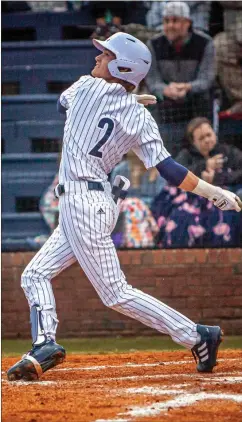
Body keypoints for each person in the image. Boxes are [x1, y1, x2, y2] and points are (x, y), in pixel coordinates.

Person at [7, 32, 241, 382]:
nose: (97, 58)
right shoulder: (140, 117)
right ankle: (44, 342)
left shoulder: (86, 87)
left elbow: (61, 104)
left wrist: (121, 100)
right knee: (35, 274)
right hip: (93, 202)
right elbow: (170, 171)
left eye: (105, 55)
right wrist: (211, 191)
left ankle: (195, 334)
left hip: (83, 205)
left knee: (115, 293)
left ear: (122, 65)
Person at [151, 117, 242, 248]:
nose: (206, 140)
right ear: (193, 142)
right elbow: (175, 176)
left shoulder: (229, 152)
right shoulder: (186, 155)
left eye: (209, 135)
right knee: (180, 218)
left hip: (223, 197)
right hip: (192, 198)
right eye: (201, 138)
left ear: (214, 133)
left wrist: (218, 177)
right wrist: (204, 165)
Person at [146, 1, 215, 156]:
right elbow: (152, 80)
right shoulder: (153, 44)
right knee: (152, 99)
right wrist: (165, 89)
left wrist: (188, 87)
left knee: (205, 98)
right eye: (166, 21)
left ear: (187, 23)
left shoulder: (205, 43)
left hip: (195, 102)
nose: (170, 25)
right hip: (166, 103)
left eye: (175, 20)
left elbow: (206, 78)